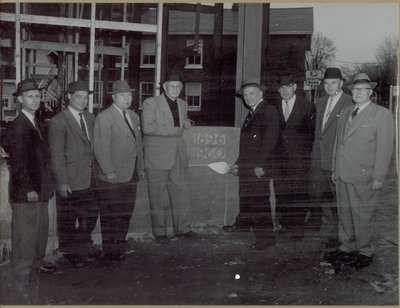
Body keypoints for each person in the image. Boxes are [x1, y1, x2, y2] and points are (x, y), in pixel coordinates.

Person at [327, 73, 394, 270]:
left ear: (370, 92)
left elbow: (385, 149)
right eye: (354, 89)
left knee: (363, 214)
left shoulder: (381, 114)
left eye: (361, 89)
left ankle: (365, 251)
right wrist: (334, 168)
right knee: (345, 212)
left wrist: (379, 177)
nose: (357, 93)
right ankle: (346, 246)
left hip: (365, 175)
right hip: (342, 173)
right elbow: (338, 144)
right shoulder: (346, 112)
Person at [8, 79, 55, 304]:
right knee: (25, 239)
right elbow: (18, 163)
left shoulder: (36, 122)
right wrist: (28, 190)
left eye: (37, 96)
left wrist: (46, 186)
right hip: (27, 194)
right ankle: (21, 283)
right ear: (19, 100)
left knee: (37, 236)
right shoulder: (18, 126)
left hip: (40, 191)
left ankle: (32, 277)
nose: (35, 100)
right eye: (30, 96)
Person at [48, 81, 99, 267]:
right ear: (69, 96)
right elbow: (57, 154)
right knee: (68, 219)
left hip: (90, 179)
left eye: (86, 97)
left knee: (90, 215)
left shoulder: (91, 118)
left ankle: (81, 246)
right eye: (79, 96)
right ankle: (72, 253)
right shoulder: (58, 121)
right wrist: (62, 181)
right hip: (69, 179)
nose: (83, 100)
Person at [93, 80, 144, 263]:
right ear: (113, 97)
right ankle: (110, 251)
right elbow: (100, 148)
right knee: (110, 214)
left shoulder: (134, 116)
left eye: (129, 95)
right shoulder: (104, 117)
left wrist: (140, 168)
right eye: (123, 95)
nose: (127, 99)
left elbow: (138, 146)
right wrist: (109, 172)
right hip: (112, 176)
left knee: (125, 212)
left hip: (130, 174)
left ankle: (119, 246)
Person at [141, 73, 196, 241]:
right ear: (164, 87)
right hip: (157, 156)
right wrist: (177, 129)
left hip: (178, 155)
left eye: (179, 86)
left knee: (181, 193)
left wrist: (187, 122)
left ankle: (183, 229)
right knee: (157, 196)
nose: (176, 89)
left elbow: (181, 120)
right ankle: (160, 233)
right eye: (172, 86)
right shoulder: (150, 103)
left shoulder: (182, 104)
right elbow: (147, 128)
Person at [229, 81, 280, 250]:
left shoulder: (268, 111)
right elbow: (247, 146)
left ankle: (266, 239)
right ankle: (256, 233)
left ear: (260, 94)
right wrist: (238, 164)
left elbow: (270, 141)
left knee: (259, 201)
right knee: (250, 200)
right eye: (245, 95)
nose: (248, 97)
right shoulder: (252, 113)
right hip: (248, 166)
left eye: (251, 93)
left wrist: (261, 165)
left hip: (258, 167)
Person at [309, 67, 353, 249]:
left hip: (336, 161)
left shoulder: (349, 103)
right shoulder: (319, 102)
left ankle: (339, 235)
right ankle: (328, 229)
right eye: (326, 83)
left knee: (338, 202)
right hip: (318, 160)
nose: (329, 86)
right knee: (317, 196)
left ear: (341, 83)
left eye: (333, 83)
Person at [274, 77, 315, 236]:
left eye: (288, 86)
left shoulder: (307, 106)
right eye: (281, 87)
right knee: (282, 193)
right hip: (279, 161)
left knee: (298, 193)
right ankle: (285, 224)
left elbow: (310, 135)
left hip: (298, 160)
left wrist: (304, 158)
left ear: (295, 87)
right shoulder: (274, 106)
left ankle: (298, 228)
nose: (284, 90)